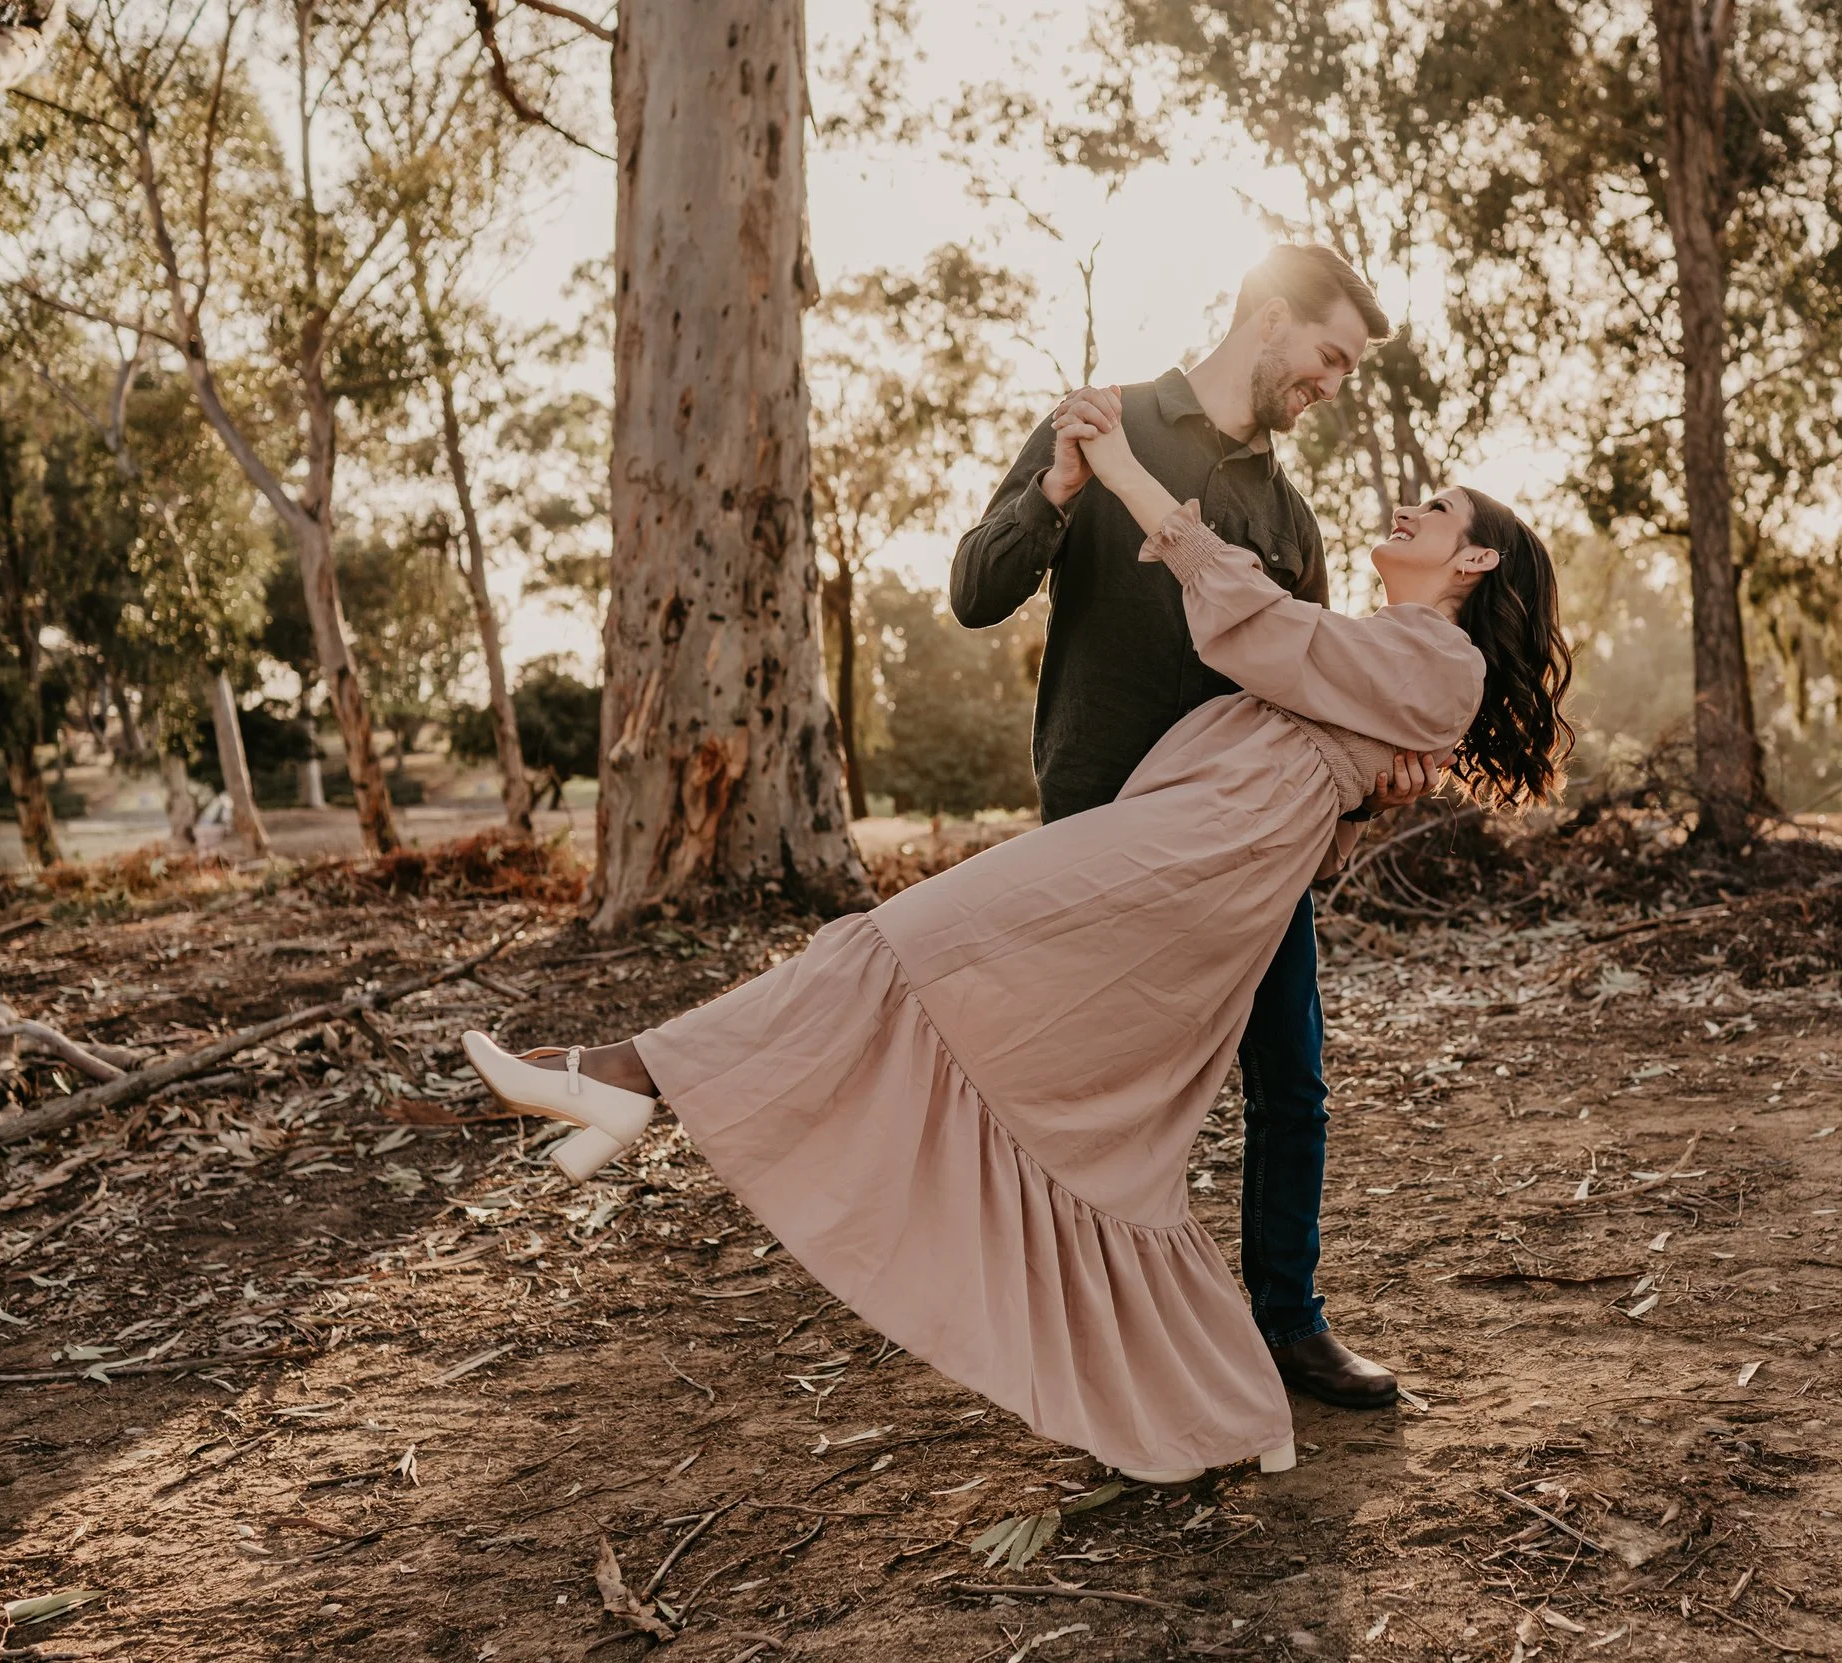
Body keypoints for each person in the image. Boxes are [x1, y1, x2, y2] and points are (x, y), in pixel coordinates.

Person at [461, 405, 1572, 1483]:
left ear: (1472, 563)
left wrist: (1133, 480)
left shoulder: (1444, 665)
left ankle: (630, 1076)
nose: (1406, 509)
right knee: (1052, 1092)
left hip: (1195, 851)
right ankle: (1212, 1405)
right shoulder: (1390, 651)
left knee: (899, 944)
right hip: (1182, 834)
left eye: (1434, 509)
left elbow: (1258, 626)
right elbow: (1306, 708)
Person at [949, 244, 1427, 1413]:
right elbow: (973, 592)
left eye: (1348, 370)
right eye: (1327, 356)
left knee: (1290, 1081)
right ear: (1267, 319)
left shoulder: (1290, 515)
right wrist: (1058, 490)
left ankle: (1290, 1326)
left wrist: (1376, 777)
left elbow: (1313, 690)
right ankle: (1074, 1339)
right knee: (1092, 1085)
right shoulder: (1100, 425)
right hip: (1101, 815)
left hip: (1246, 845)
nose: (1331, 384)